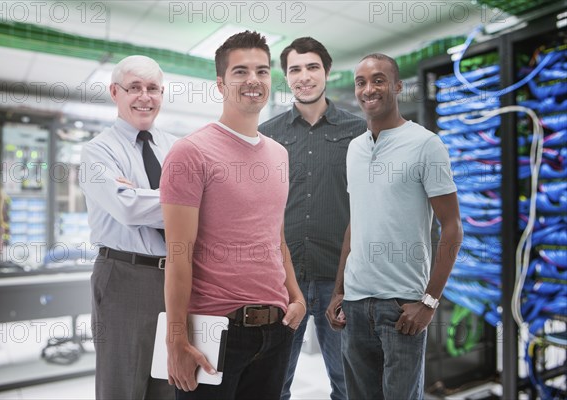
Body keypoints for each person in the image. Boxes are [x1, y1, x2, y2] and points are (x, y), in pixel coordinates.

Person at [159, 31, 306, 399]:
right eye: (240, 72)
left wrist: (297, 297)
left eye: (261, 71)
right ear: (221, 84)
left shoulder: (279, 155)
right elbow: (178, 252)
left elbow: (277, 237)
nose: (253, 80)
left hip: (277, 331)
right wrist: (175, 339)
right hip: (216, 331)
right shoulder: (190, 153)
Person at [325, 53, 463, 400]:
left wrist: (429, 303)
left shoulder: (426, 145)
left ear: (398, 86)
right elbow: (355, 221)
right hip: (355, 306)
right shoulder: (354, 148)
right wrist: (339, 290)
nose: (368, 89)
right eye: (361, 82)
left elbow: (453, 228)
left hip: (401, 308)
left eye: (378, 80)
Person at [259, 37, 364, 400]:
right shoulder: (268, 134)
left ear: (327, 72)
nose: (304, 76)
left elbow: (371, 203)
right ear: (285, 76)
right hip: (283, 279)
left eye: (312, 67)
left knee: (348, 384)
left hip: (341, 277)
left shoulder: (358, 132)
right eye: (295, 69)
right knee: (273, 384)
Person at [79, 55, 177, 400]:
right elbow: (128, 208)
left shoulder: (176, 147)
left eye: (152, 88)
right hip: (124, 275)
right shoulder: (97, 152)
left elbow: (203, 203)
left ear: (162, 94)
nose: (144, 97)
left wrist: (141, 194)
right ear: (114, 92)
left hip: (176, 277)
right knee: (123, 387)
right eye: (134, 87)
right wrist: (179, 199)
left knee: (169, 386)